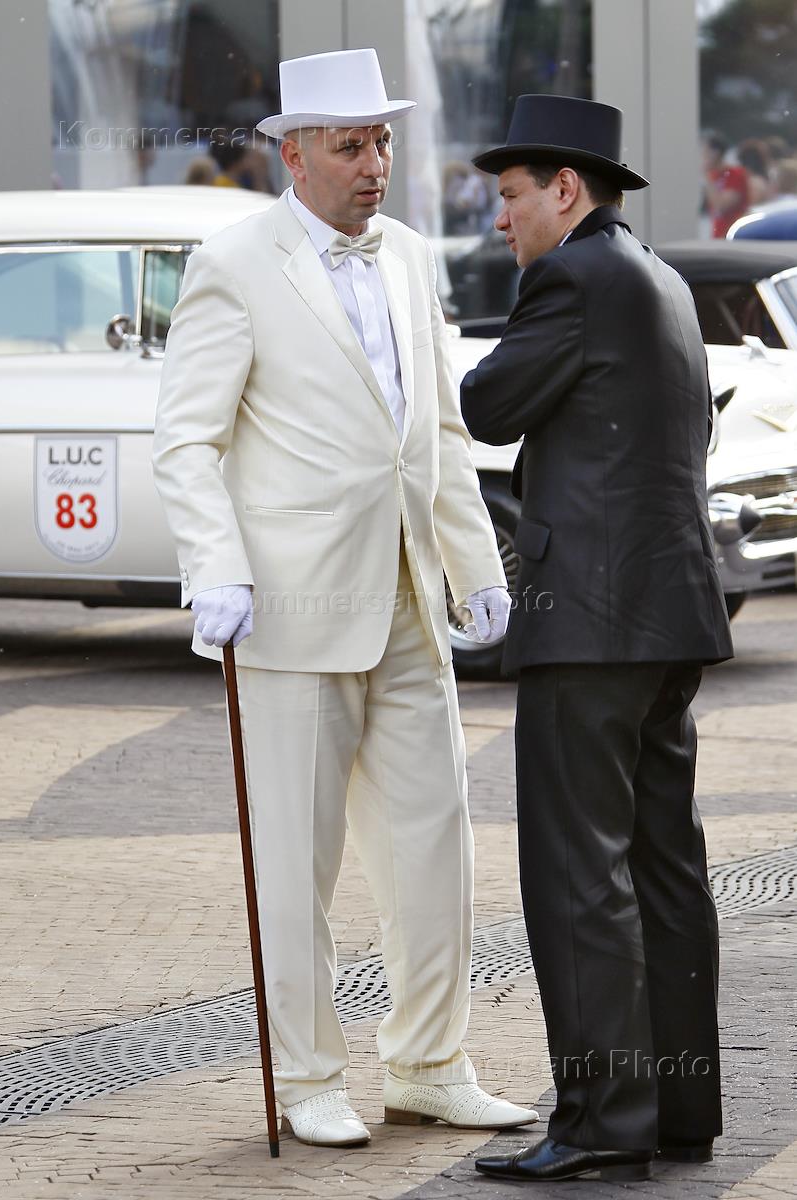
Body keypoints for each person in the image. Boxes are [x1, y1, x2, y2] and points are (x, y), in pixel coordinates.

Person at [153, 48, 536, 1150]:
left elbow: (438, 433)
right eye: (350, 145)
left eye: (382, 142)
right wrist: (216, 567)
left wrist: (477, 569)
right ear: (294, 155)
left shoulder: (408, 254)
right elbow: (186, 440)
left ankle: (429, 1065)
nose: (375, 164)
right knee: (295, 866)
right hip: (289, 612)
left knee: (435, 854)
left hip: (409, 601)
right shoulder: (233, 262)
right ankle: (307, 1075)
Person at [460, 94, 733, 1183]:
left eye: (510, 197)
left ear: (565, 190)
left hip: (589, 625)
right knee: (663, 864)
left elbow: (488, 406)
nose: (501, 220)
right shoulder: (660, 279)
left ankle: (600, 1121)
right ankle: (676, 1110)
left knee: (581, 875)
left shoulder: (572, 277)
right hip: (669, 620)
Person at [702, 130, 749, 238]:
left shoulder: (735, 174)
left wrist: (707, 176)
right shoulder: (714, 176)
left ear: (715, 153)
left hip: (733, 237)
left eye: (705, 152)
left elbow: (721, 206)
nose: (703, 157)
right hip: (719, 236)